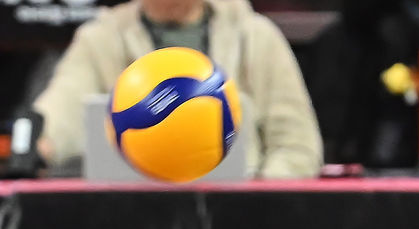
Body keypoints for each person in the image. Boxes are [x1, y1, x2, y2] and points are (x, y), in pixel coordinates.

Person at [33, 0, 323, 178]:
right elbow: (61, 113)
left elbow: (298, 146)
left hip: (238, 217)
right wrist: (36, 146)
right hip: (129, 215)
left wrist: (256, 197)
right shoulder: (100, 37)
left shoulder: (256, 36)